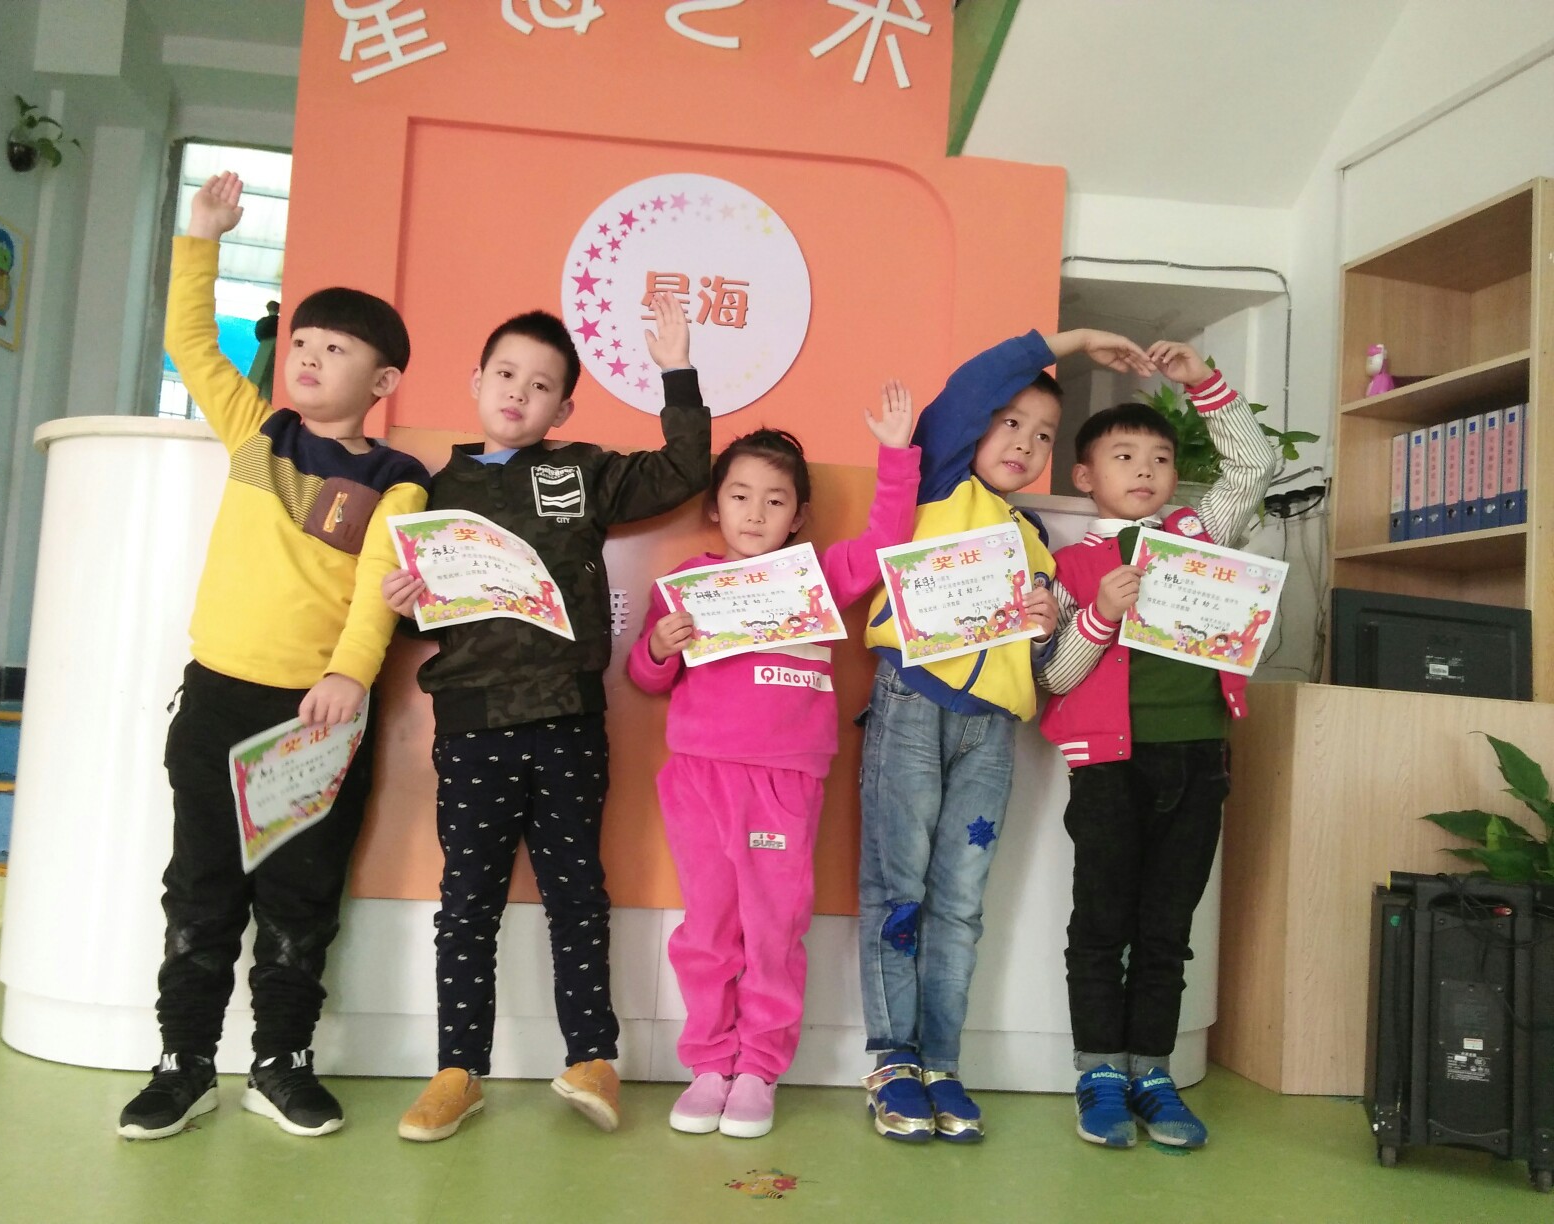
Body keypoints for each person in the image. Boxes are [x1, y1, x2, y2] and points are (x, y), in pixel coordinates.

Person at [118, 172, 431, 1140]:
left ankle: (281, 1061)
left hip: (316, 718)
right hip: (216, 697)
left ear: (382, 382)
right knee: (201, 887)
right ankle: (183, 1061)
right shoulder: (259, 433)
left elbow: (379, 590)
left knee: (300, 896)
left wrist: (347, 675)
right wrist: (202, 236)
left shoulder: (399, 481)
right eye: (301, 342)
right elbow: (189, 344)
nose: (308, 357)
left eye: (335, 349)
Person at [383, 298, 711, 1142]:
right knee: (467, 904)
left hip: (568, 719)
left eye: (540, 386)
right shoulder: (429, 492)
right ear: (475, 381)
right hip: (472, 723)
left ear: (563, 408)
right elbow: (422, 622)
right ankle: (457, 1072)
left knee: (578, 894)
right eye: (505, 375)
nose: (518, 393)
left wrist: (677, 369)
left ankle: (594, 1058)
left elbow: (683, 470)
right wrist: (404, 605)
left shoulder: (583, 471)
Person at [858, 328, 1154, 1143]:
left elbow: (1049, 668)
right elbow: (969, 386)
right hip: (912, 706)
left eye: (1044, 435)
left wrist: (1047, 625)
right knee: (899, 893)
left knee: (960, 905)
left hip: (991, 732)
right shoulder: (939, 483)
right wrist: (1071, 342)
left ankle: (941, 1064)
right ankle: (892, 1060)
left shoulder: (1037, 545)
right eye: (1009, 422)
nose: (1024, 443)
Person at [627, 384, 919, 1139]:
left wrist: (896, 456)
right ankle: (708, 1064)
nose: (755, 513)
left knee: (771, 930)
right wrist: (658, 646)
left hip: (785, 781)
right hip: (697, 776)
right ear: (714, 507)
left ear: (798, 516)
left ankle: (758, 1067)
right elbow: (647, 678)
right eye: (740, 496)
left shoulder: (814, 577)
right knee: (707, 929)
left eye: (775, 500)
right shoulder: (684, 587)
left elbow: (885, 544)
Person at [1038, 342, 1279, 1150]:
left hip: (1200, 758)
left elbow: (1254, 465)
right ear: (1085, 476)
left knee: (1168, 928)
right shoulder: (1068, 566)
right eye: (1123, 456)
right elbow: (1055, 677)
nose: (1145, 468)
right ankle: (1100, 1074)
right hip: (1109, 767)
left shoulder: (1197, 534)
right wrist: (1100, 615)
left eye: (1160, 458)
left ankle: (1153, 1074)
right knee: (1101, 926)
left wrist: (1202, 383)